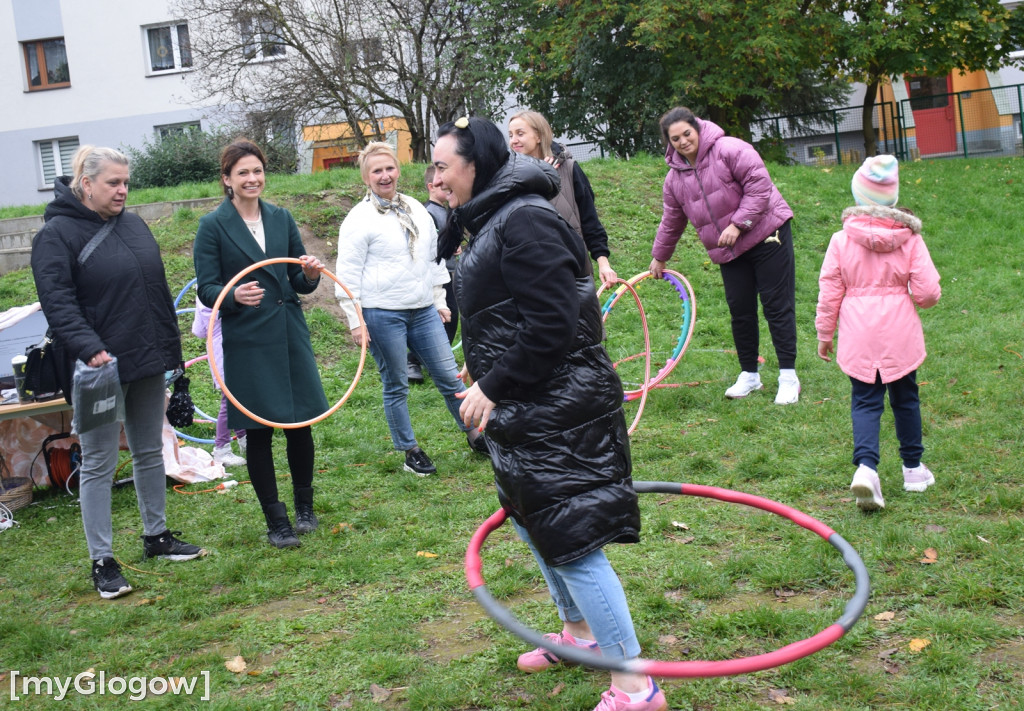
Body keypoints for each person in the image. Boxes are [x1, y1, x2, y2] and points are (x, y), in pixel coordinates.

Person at [433, 116, 667, 711]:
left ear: (476, 166)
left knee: (573, 539)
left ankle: (634, 686)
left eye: (441, 166)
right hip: (527, 407)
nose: (434, 178)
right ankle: (579, 635)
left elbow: (554, 324)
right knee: (534, 522)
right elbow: (512, 314)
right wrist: (483, 366)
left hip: (560, 406)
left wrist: (494, 381)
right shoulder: (493, 218)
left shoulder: (525, 220)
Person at [31, 145, 204, 599]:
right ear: (86, 184)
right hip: (98, 369)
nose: (123, 190)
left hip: (145, 359)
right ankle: (102, 561)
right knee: (99, 463)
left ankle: (156, 537)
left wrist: (171, 353)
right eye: (113, 182)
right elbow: (57, 302)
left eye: (126, 182)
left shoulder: (134, 224)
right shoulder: (56, 235)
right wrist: (89, 348)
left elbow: (156, 292)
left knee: (150, 450)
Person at [193, 138, 327, 548]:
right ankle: (276, 520)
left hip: (288, 333)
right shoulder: (213, 226)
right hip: (247, 339)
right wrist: (233, 295)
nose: (252, 179)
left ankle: (305, 508)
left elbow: (296, 278)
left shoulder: (281, 217)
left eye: (257, 171)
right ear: (227, 179)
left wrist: (311, 274)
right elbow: (206, 288)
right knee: (259, 430)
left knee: (299, 424)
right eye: (243, 173)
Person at [334, 142, 487, 476]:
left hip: (422, 310)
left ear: (398, 170)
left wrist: (439, 300)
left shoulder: (416, 209)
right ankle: (410, 450)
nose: (384, 176)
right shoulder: (358, 219)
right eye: (376, 171)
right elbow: (347, 274)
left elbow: (432, 258)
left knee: (449, 376)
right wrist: (356, 320)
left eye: (389, 168)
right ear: (366, 177)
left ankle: (476, 434)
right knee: (396, 384)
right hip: (381, 313)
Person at [649, 106, 800, 404]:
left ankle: (788, 376)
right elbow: (671, 221)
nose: (683, 141)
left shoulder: (729, 149)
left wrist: (737, 224)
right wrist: (660, 256)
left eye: (687, 134)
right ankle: (749, 375)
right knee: (740, 311)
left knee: (776, 306)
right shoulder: (674, 179)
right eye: (675, 139)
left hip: (767, 233)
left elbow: (760, 187)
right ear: (669, 142)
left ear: (697, 128)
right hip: (729, 249)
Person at [815, 155, 941, 510]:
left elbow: (829, 291)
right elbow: (928, 292)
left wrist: (825, 332)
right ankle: (913, 469)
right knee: (906, 398)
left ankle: (867, 469)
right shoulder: (910, 239)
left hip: (858, 333)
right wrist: (913, 297)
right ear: (893, 199)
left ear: (858, 195)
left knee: (865, 401)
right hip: (900, 332)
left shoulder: (841, 240)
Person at [508, 110, 618, 288]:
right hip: (530, 276)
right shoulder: (509, 179)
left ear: (539, 136)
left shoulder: (569, 169)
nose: (513, 140)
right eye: (511, 135)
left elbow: (589, 219)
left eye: (520, 134)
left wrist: (603, 263)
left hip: (574, 272)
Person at [406, 165, 460, 384]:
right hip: (434, 275)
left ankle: (435, 360)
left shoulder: (447, 210)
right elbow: (425, 245)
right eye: (440, 185)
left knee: (451, 318)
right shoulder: (427, 212)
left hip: (448, 273)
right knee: (442, 317)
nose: (446, 188)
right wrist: (447, 247)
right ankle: (412, 361)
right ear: (430, 186)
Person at [191, 298, 247, 467]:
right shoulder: (220, 292)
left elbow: (198, 331)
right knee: (230, 399)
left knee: (236, 397)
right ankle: (221, 448)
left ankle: (244, 439)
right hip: (228, 347)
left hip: (217, 346)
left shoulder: (203, 293)